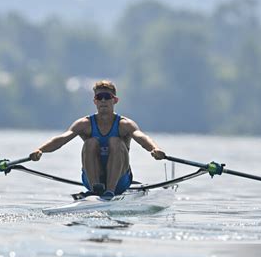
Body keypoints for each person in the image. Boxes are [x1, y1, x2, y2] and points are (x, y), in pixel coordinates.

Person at [29, 80, 166, 200]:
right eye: (99, 97)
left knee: (115, 141)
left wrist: (154, 149)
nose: (103, 101)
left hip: (120, 182)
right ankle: (95, 190)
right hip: (92, 179)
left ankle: (110, 191)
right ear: (95, 101)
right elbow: (61, 139)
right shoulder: (85, 124)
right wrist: (40, 150)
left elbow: (141, 137)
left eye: (107, 97)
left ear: (115, 100)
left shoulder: (124, 124)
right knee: (90, 142)